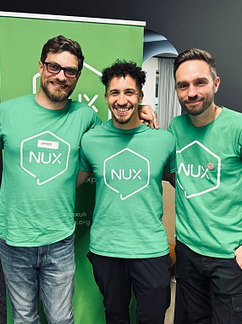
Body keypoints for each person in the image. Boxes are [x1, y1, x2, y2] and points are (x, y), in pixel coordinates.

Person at [0, 35, 101, 324]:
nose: (61, 76)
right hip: (14, 238)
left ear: (78, 76)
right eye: (54, 67)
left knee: (60, 318)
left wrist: (141, 111)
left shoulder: (86, 116)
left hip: (59, 238)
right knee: (23, 317)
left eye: (70, 71)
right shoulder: (6, 112)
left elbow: (110, 143)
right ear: (41, 67)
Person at [168, 48, 242, 323]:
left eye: (199, 82)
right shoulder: (175, 128)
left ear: (215, 84)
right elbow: (177, 176)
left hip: (229, 257)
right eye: (183, 85)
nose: (191, 92)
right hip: (187, 252)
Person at [76, 60, 175, 324]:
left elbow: (187, 185)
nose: (122, 100)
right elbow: (70, 182)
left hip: (150, 249)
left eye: (129, 92)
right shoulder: (91, 140)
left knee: (152, 317)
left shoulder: (164, 140)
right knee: (116, 316)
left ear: (141, 96)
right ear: (107, 97)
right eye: (116, 93)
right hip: (106, 248)